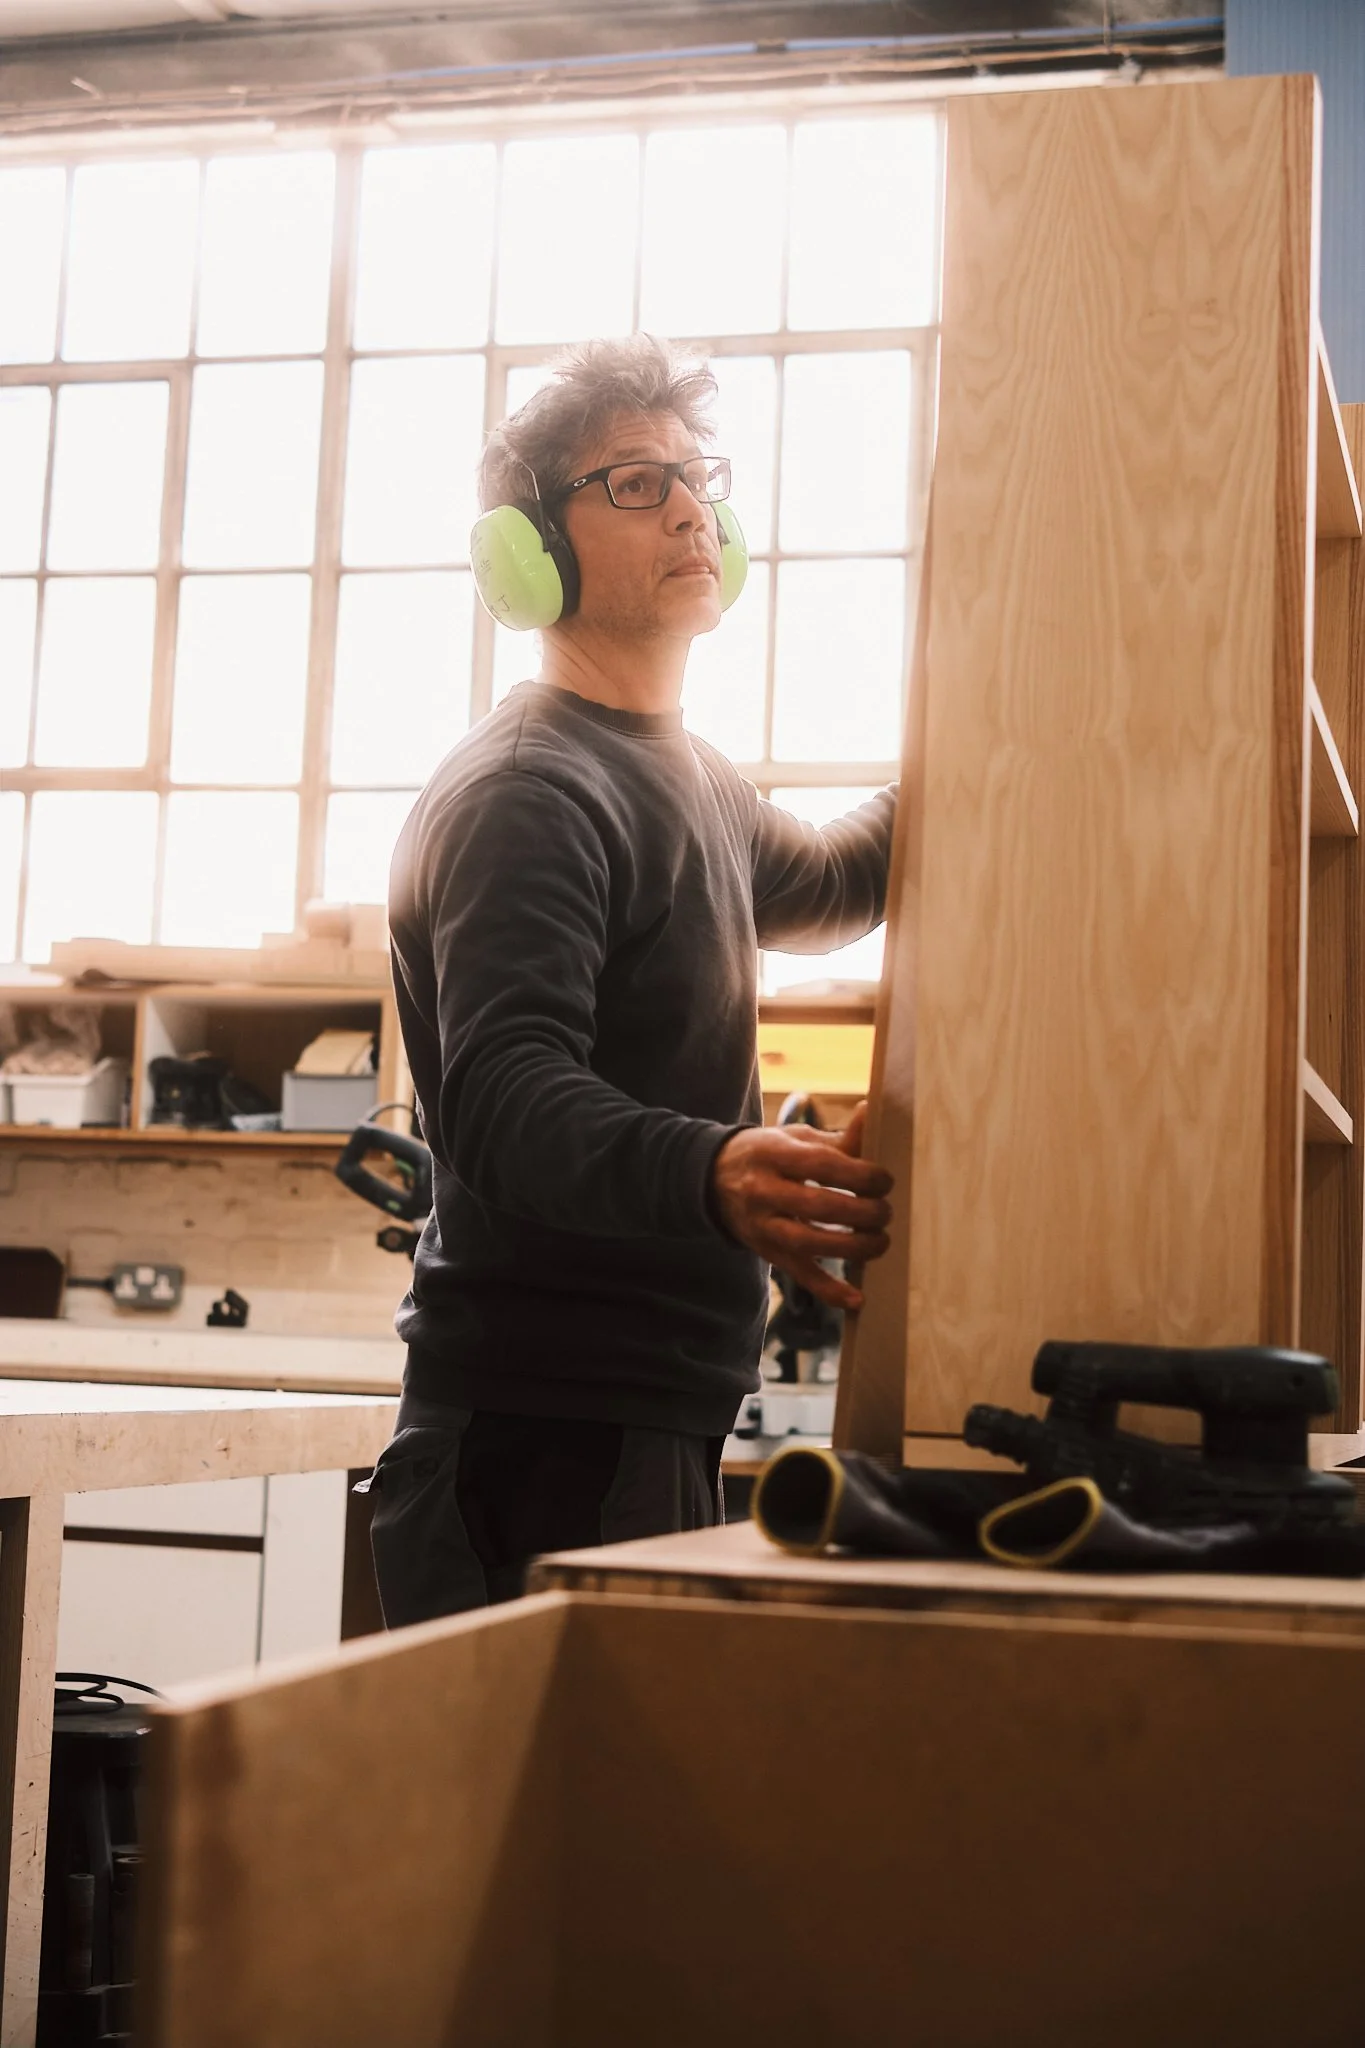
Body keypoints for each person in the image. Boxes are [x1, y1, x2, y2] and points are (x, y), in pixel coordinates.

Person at [368, 332, 896, 1623]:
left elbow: (831, 883)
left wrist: (988, 722)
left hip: (639, 1420)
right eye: (634, 482)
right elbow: (502, 1095)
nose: (688, 507)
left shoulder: (688, 776)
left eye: (695, 475)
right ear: (528, 553)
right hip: (536, 1442)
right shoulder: (528, 796)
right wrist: (711, 1170)